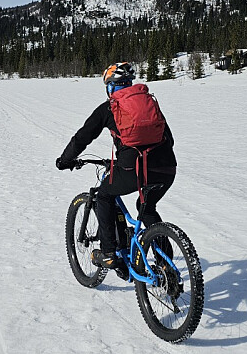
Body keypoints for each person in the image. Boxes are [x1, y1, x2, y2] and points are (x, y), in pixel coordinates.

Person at [55, 62, 177, 269]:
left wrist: (65, 160)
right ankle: (166, 262)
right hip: (166, 169)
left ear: (110, 87)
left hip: (135, 171)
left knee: (103, 195)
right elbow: (169, 139)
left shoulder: (110, 107)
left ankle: (108, 252)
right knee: (146, 207)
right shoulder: (149, 105)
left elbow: (82, 138)